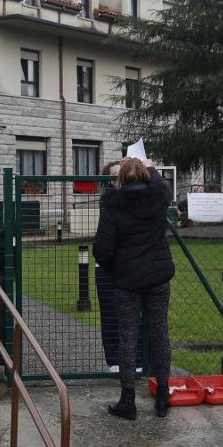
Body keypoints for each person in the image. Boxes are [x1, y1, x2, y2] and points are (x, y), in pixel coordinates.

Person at [93, 157, 175, 420]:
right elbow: (161, 185)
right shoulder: (159, 197)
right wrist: (149, 165)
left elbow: (101, 249)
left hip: (127, 280)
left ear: (120, 180)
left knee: (127, 337)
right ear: (146, 175)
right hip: (158, 277)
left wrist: (115, 268)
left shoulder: (112, 205)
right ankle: (163, 395)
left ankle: (127, 401)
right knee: (159, 334)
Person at [95, 160, 142, 374]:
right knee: (110, 314)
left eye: (121, 175)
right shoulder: (109, 201)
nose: (118, 179)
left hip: (131, 265)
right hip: (108, 266)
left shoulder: (140, 198)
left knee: (135, 314)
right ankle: (114, 360)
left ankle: (139, 359)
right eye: (114, 176)